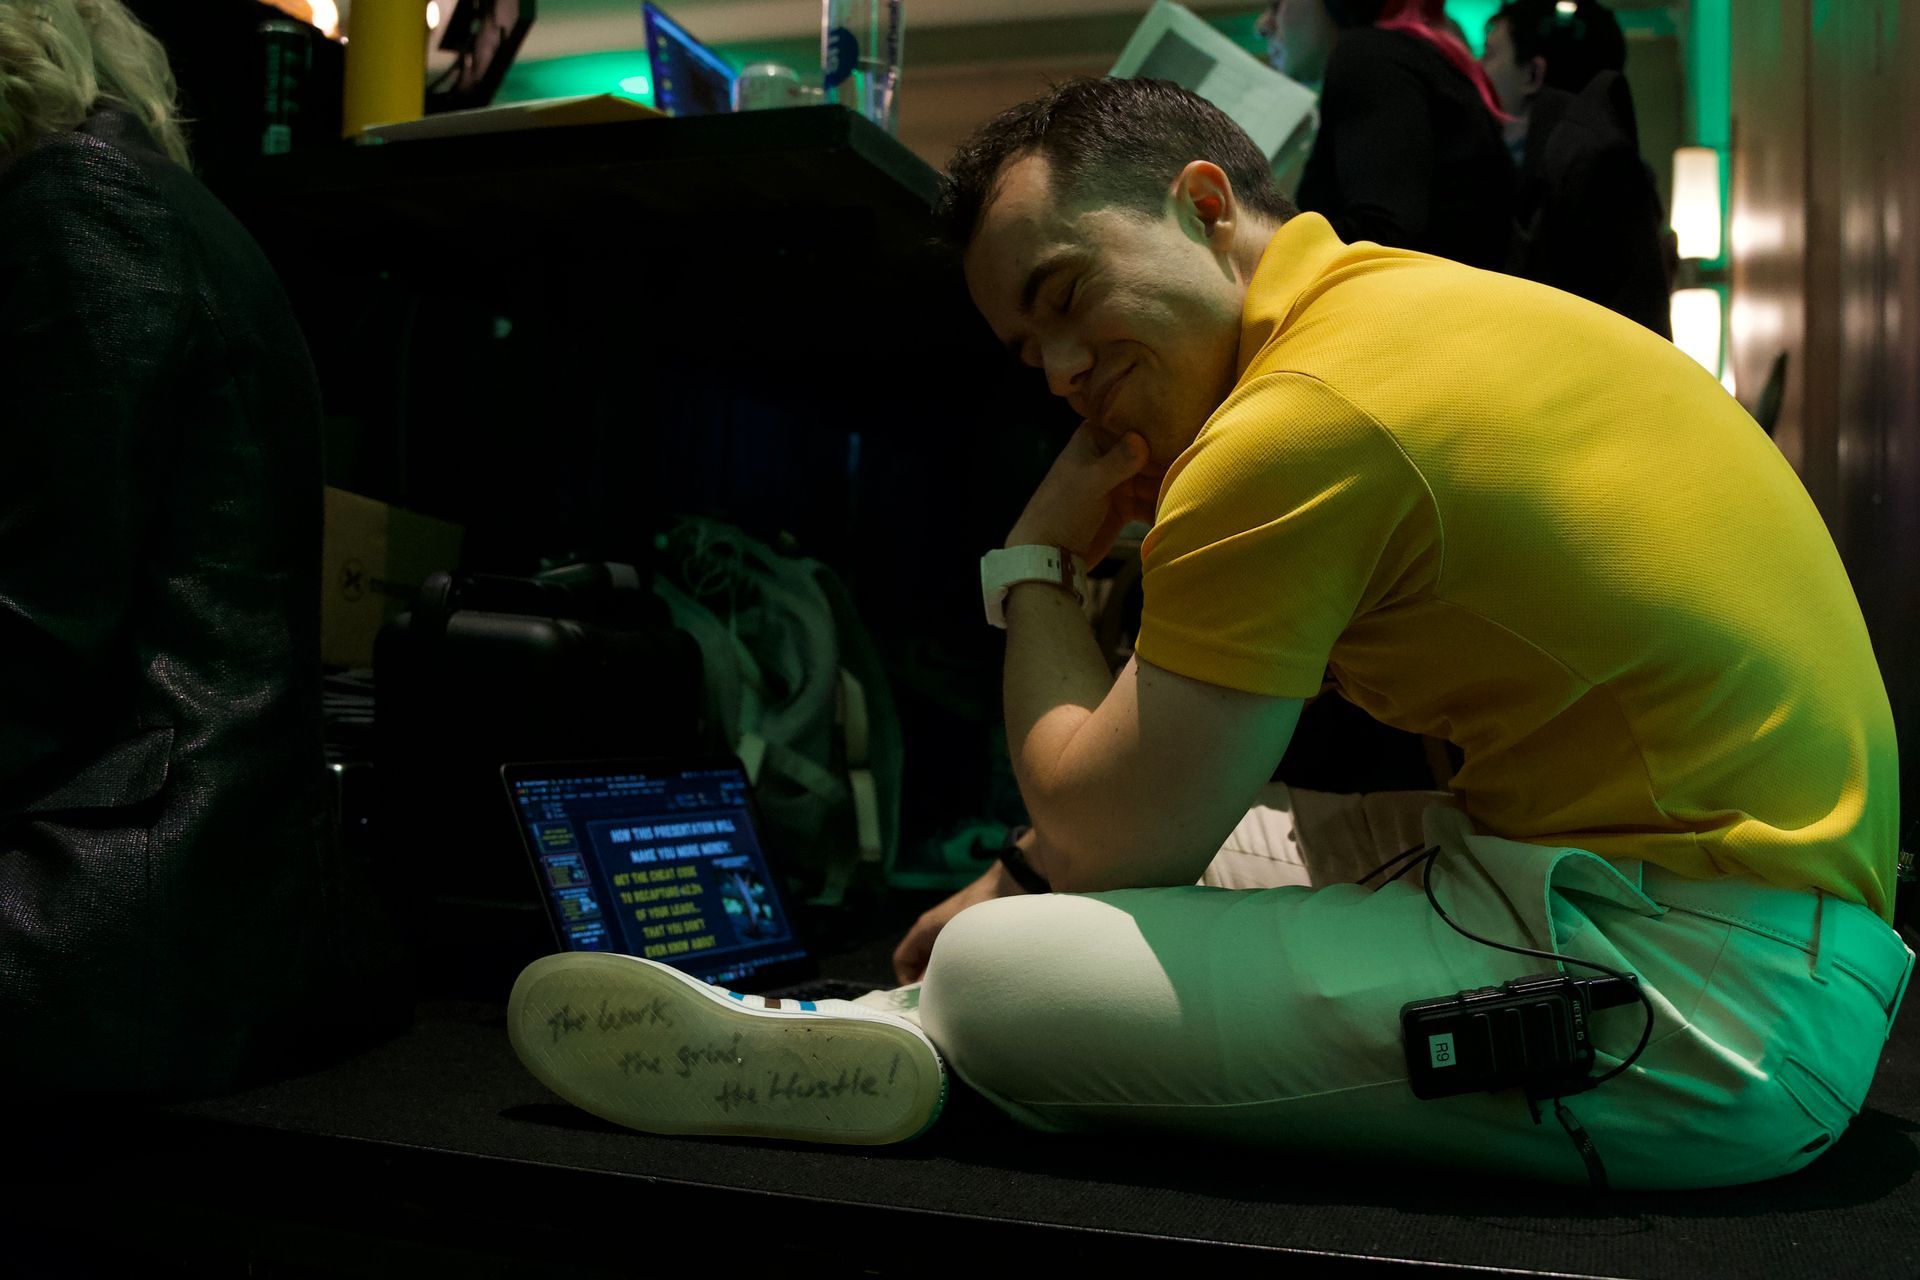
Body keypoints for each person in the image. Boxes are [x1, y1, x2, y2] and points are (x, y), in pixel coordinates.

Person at [508, 77, 1908, 1191]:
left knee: (995, 975)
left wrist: (1035, 559)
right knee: (1218, 834)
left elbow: (1114, 842)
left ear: (1204, 203)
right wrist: (1027, 865)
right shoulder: (1391, 319)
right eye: (1027, 352)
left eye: (1066, 298)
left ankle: (928, 1035)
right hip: (1692, 906)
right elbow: (1143, 806)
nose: (1063, 376)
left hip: (1706, 1010)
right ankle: (881, 1032)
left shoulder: (1299, 421)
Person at [0, 0, 404, 1095]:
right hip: (208, 880)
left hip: (103, 898)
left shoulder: (70, 198)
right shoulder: (154, 197)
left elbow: (37, 629)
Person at [1256, 0, 1515, 271]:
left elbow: (1383, 239)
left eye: (1277, 4)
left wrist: (1258, 245)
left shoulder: (1372, 58)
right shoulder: (1407, 57)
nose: (1262, 25)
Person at [1482, 0, 1674, 336]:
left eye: (1489, 53)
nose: (1477, 68)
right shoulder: (1604, 154)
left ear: (1533, 74)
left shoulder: (1581, 166)